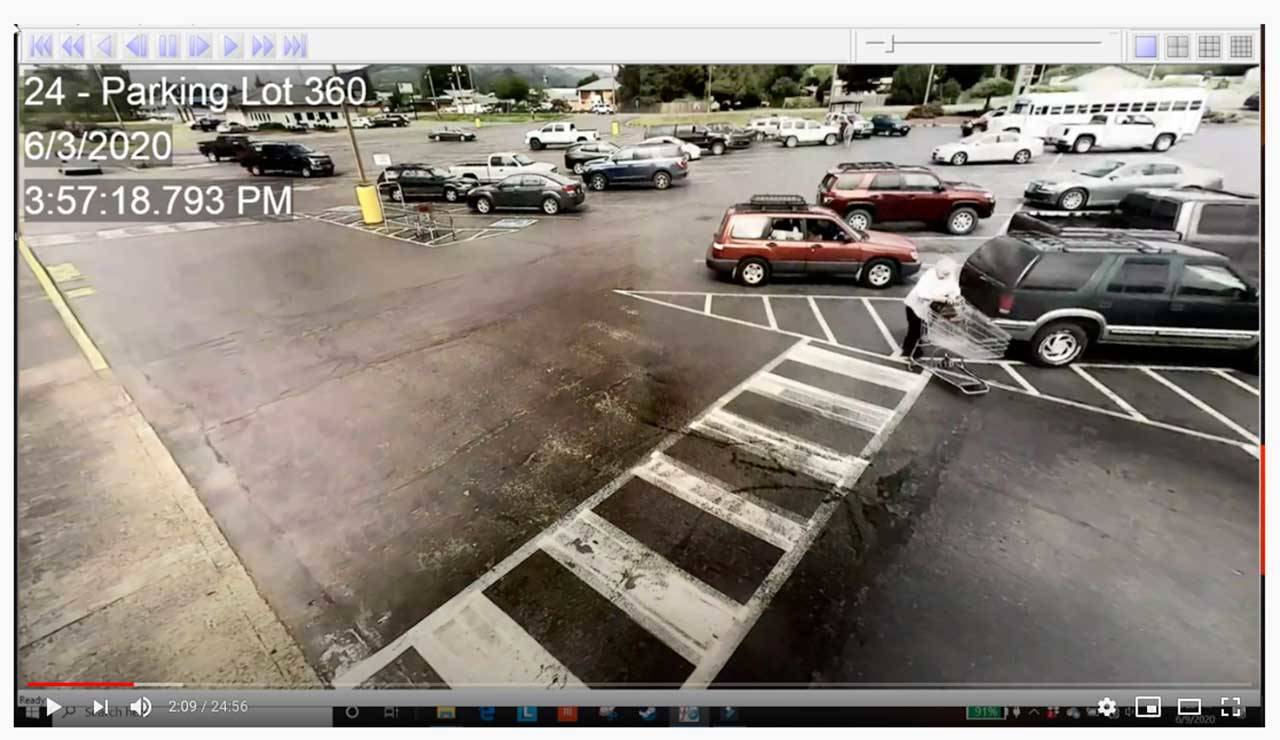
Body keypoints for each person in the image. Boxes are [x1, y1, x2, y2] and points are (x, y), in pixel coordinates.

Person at [900, 258, 962, 359]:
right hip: (915, 306)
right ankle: (908, 351)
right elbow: (922, 293)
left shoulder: (949, 276)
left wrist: (952, 296)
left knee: (923, 328)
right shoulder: (929, 276)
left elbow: (955, 289)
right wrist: (942, 299)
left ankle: (914, 346)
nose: (945, 276)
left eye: (947, 274)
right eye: (943, 273)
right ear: (937, 269)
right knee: (914, 330)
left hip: (931, 309)